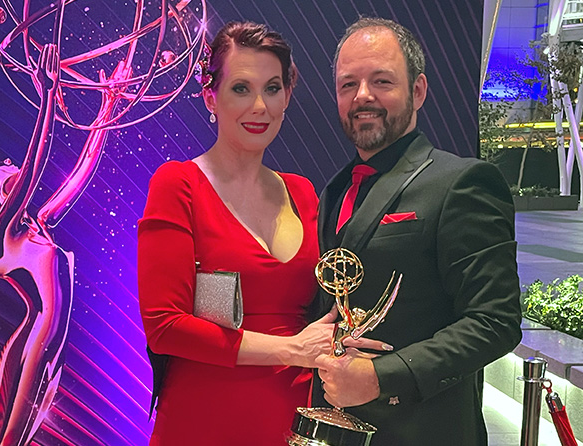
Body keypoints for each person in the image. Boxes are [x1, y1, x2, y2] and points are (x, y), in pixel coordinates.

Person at [138, 21, 389, 446]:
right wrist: (291, 350)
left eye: (273, 88)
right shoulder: (178, 183)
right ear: (210, 96)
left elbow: (326, 302)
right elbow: (166, 325)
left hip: (294, 415)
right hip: (204, 414)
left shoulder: (303, 192)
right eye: (241, 88)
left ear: (287, 97)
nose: (259, 106)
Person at [311, 17, 522, 446]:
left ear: (418, 90)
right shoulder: (334, 190)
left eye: (381, 81)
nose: (362, 96)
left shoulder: (462, 182)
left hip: (423, 431)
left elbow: (496, 321)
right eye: (348, 84)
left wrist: (382, 377)